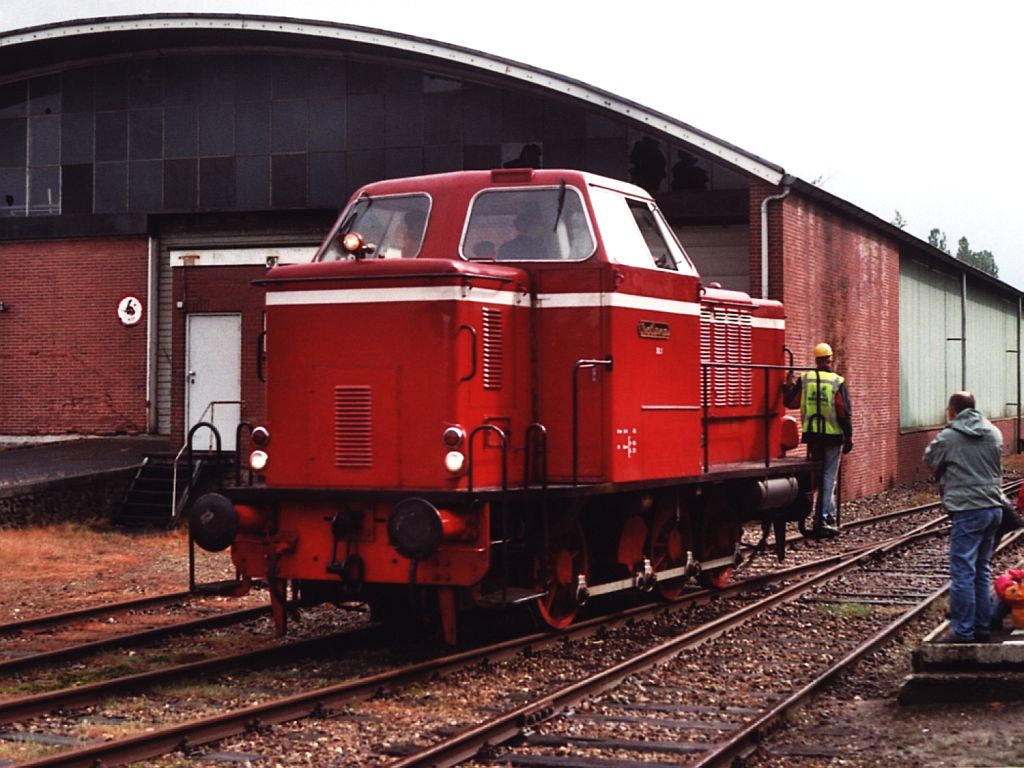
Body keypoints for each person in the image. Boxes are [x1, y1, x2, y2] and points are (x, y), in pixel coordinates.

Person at [924, 391, 1003, 643]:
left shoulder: (949, 436)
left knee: (963, 573)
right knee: (981, 570)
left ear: (952, 411)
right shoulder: (994, 432)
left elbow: (930, 459)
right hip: (994, 508)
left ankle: (963, 631)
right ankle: (982, 626)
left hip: (968, 510)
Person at [784, 342, 853, 537]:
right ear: (830, 359)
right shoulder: (837, 381)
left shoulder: (806, 379)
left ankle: (825, 516)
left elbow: (790, 402)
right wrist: (848, 436)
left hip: (812, 436)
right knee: (829, 476)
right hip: (832, 436)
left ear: (816, 360)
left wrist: (788, 386)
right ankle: (823, 518)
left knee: (820, 477)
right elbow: (843, 411)